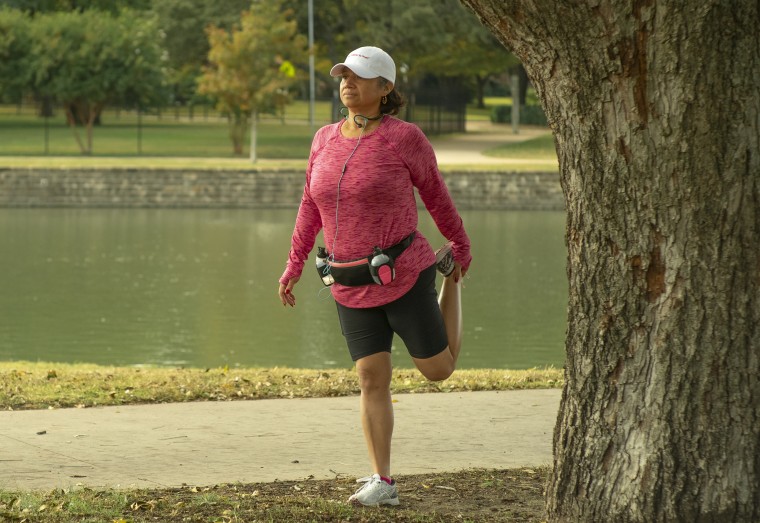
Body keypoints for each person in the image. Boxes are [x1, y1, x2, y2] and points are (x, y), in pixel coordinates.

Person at [277, 46, 471, 507]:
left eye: (360, 77)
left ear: (385, 89)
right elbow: (310, 206)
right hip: (347, 280)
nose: (348, 83)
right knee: (370, 376)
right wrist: (294, 264)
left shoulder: (404, 139)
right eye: (344, 75)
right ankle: (382, 482)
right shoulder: (323, 139)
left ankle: (452, 282)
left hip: (403, 271)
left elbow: (436, 194)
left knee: (438, 370)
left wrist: (459, 247)